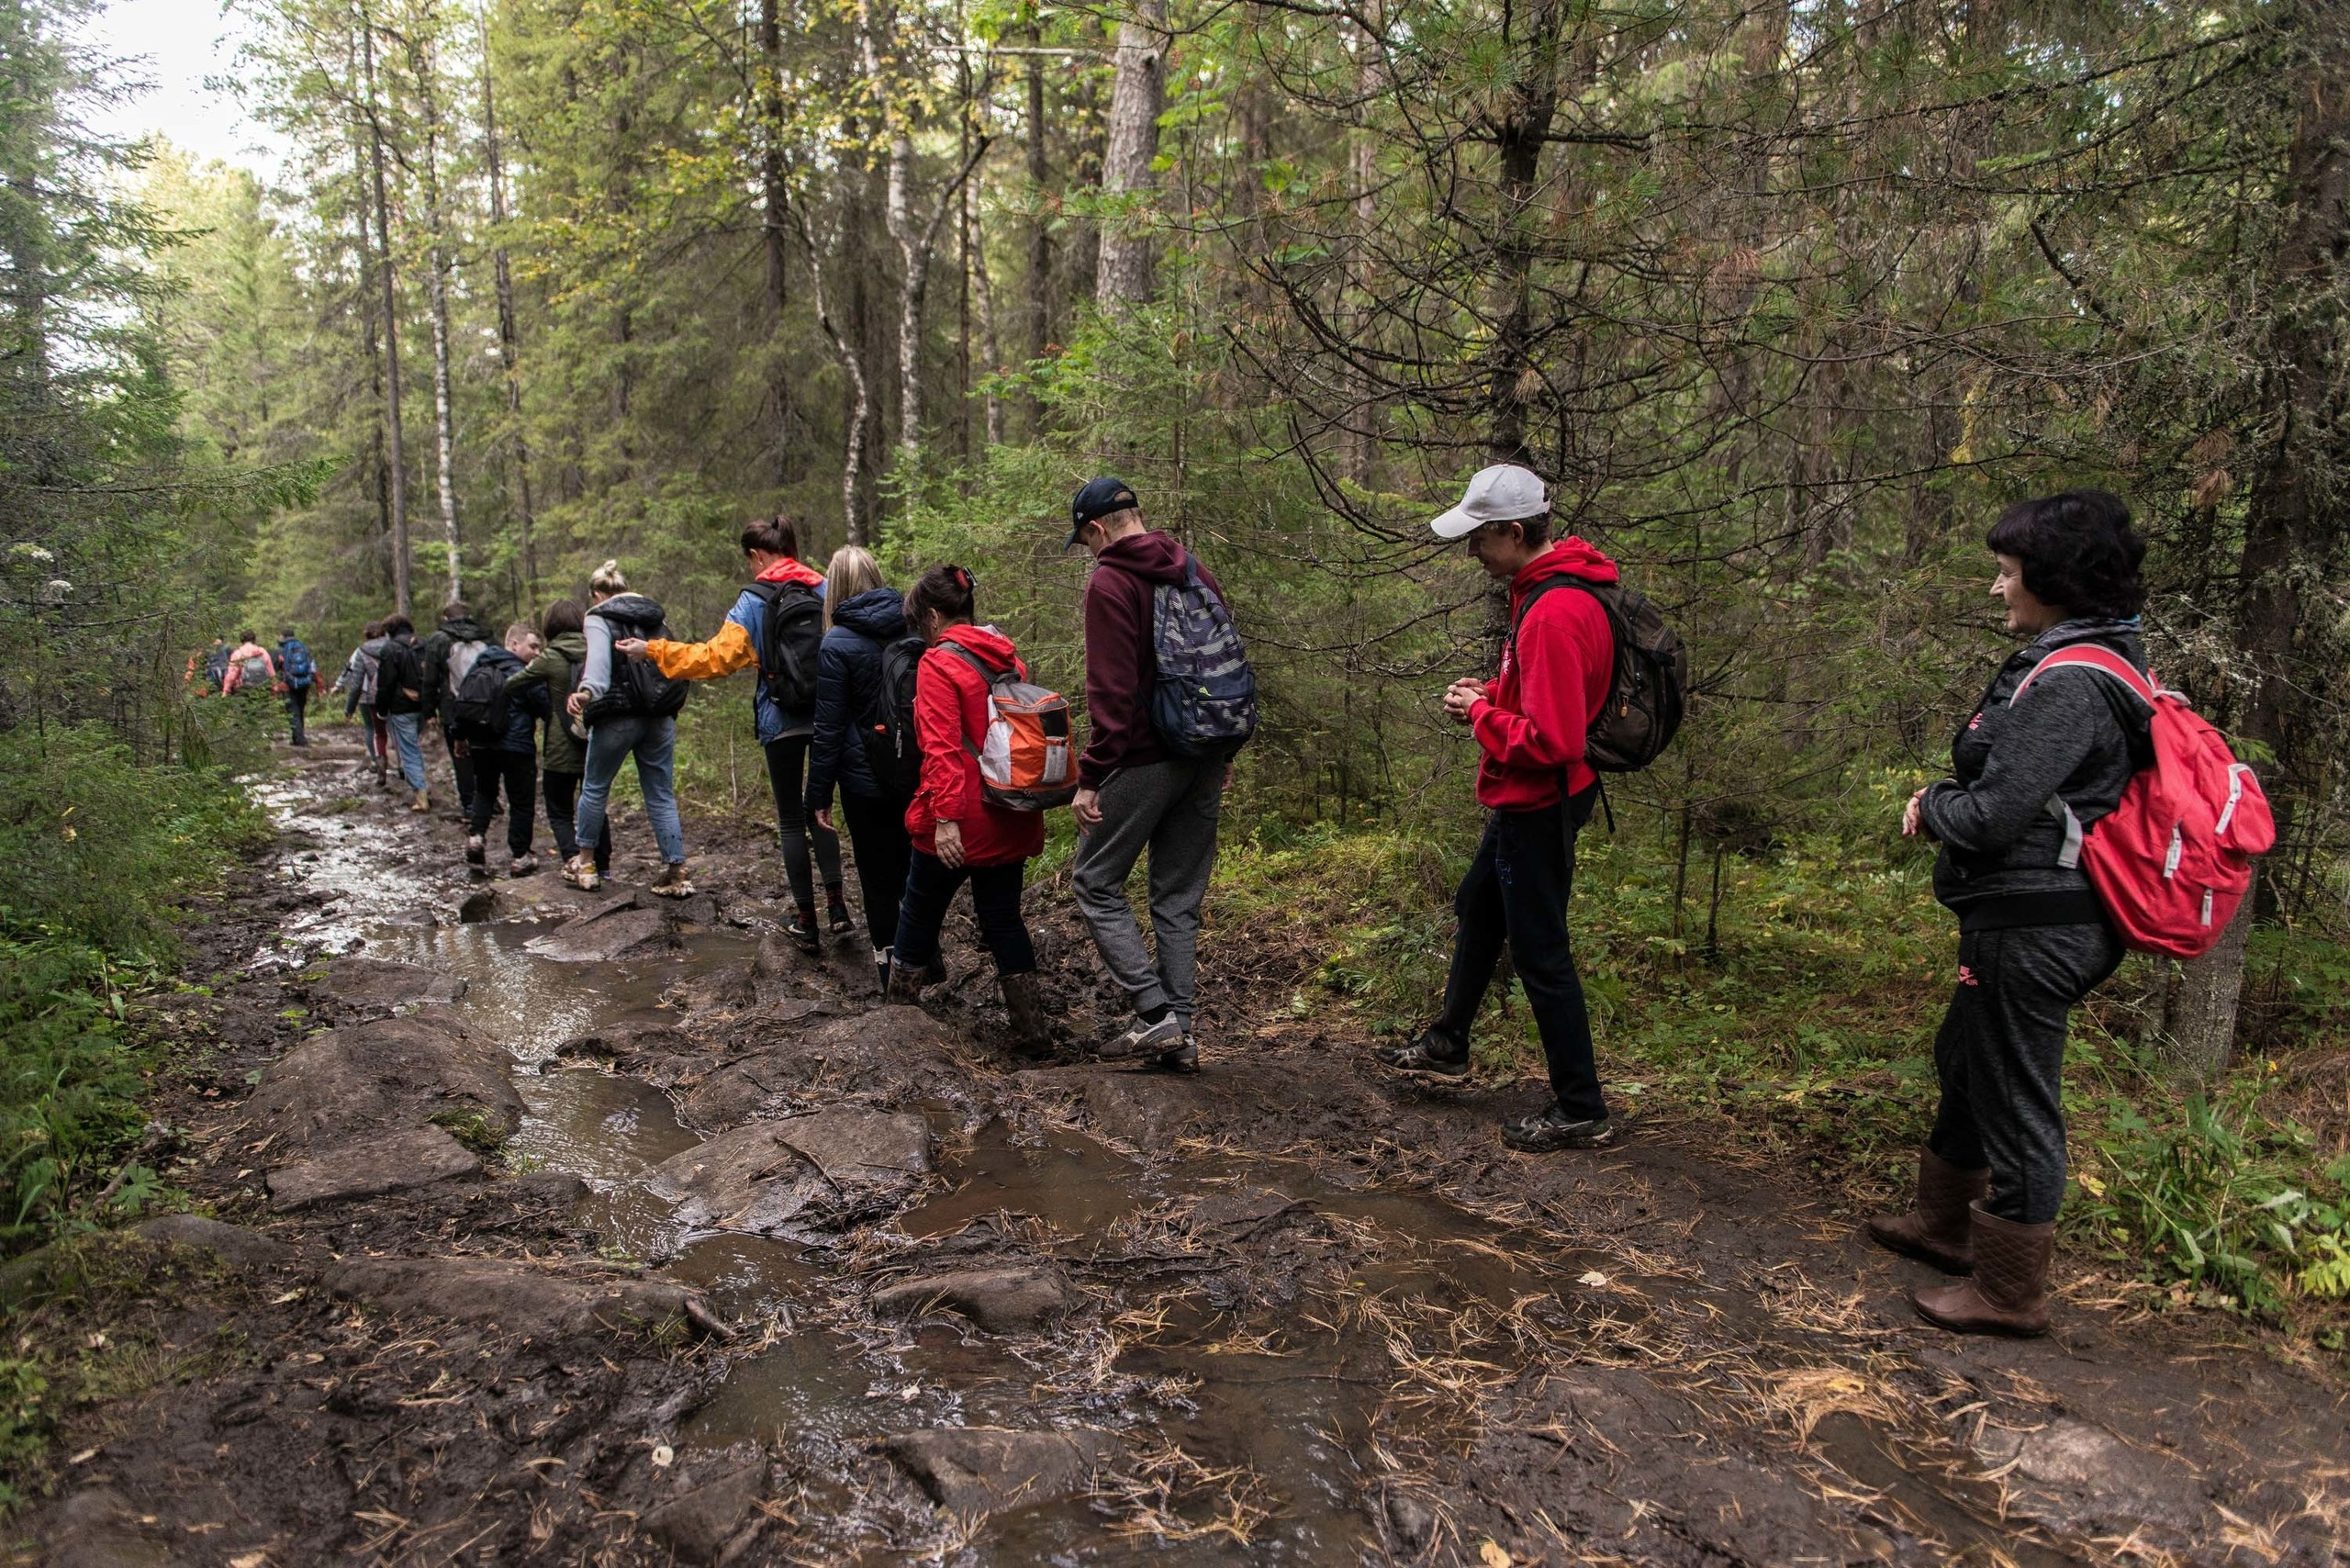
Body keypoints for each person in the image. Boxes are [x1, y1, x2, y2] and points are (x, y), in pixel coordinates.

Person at [1873, 490, 2149, 1338]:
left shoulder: (2071, 681)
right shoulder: (2085, 661)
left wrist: (1935, 803)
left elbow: (1995, 815)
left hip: (2038, 921)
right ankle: (1945, 1225)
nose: (1998, 589)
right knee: (1967, 1057)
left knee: (2016, 1089)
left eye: (2007, 573)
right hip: (2022, 914)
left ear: (2054, 580)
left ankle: (2007, 1290)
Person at [1374, 464, 1619, 1152]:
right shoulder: (1551, 591)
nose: (1473, 552)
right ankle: (1449, 1040)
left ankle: (1581, 1106)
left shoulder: (1556, 610)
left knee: (1542, 954)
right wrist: (1490, 692)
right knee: (1480, 908)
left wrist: (1480, 713)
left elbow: (1553, 740)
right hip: (1534, 798)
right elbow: (1544, 696)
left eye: (1480, 539)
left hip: (1539, 801)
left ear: (1515, 532)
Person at [1066, 477, 1237, 1075]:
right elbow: (1225, 665)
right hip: (1205, 754)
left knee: (1093, 879)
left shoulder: (1110, 582)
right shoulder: (1193, 569)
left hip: (1143, 757)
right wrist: (1223, 755)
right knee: (1177, 895)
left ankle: (1153, 1010)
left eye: (1086, 541)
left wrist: (1090, 778)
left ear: (1097, 529)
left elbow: (1110, 697)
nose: (1089, 551)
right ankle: (1181, 1034)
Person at [619, 516, 845, 945]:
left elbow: (712, 659)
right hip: (827, 716)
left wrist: (651, 650)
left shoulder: (754, 599)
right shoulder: (825, 587)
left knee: (791, 820)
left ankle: (805, 921)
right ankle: (838, 909)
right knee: (822, 810)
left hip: (780, 718)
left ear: (757, 555)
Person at [887, 565, 1049, 1053]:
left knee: (917, 914)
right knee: (1002, 918)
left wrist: (945, 820)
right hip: (1012, 810)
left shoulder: (938, 664)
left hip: (963, 818)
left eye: (922, 623)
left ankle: (896, 1030)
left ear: (935, 616)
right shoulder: (1008, 658)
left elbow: (940, 749)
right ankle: (1032, 1031)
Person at [803, 545, 915, 991]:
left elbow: (827, 728)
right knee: (910, 867)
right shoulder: (912, 627)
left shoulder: (835, 643)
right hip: (911, 771)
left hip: (863, 779)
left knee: (876, 876)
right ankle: (922, 956)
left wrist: (817, 796)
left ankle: (890, 971)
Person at [565, 560, 692, 896]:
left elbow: (598, 670)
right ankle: (676, 870)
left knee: (594, 787)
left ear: (597, 594)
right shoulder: (653, 615)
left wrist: (584, 693)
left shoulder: (598, 616)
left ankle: (587, 864)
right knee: (661, 793)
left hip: (617, 715)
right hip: (660, 715)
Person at [510, 599, 609, 880]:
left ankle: (573, 860)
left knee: (559, 809)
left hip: (560, 743)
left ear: (550, 626)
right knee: (595, 801)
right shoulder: (596, 650)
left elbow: (513, 684)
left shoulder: (550, 657)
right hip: (595, 738)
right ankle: (603, 865)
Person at [458, 622, 545, 877]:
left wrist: (459, 736)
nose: (537, 652)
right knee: (521, 800)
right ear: (513, 644)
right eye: (532, 646)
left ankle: (475, 838)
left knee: (485, 792)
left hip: (482, 743)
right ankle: (520, 856)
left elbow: (463, 702)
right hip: (516, 744)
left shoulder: (480, 665)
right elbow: (542, 705)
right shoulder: (522, 672)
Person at [418, 600, 496, 817]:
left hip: (453, 704)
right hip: (486, 703)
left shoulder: (439, 639)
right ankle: (491, 799)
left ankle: (470, 804)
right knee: (486, 752)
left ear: (445, 617)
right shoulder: (486, 635)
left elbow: (430, 678)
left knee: (460, 755)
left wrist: (429, 710)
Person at [375, 614, 431, 810]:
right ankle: (422, 785)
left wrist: (381, 709)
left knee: (408, 750)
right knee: (413, 746)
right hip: (424, 704)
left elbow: (386, 683)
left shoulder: (390, 649)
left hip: (401, 707)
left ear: (390, 631)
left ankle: (421, 794)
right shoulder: (424, 645)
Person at [333, 622, 391, 785]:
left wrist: (349, 708)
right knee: (396, 730)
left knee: (374, 730)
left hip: (370, 696)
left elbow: (355, 681)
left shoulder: (361, 651)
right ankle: (402, 767)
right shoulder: (395, 646)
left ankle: (377, 762)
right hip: (395, 696)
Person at [276, 628, 316, 746]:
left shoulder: (281, 650)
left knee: (293, 711)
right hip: (304, 683)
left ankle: (300, 740)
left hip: (289, 684)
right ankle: (297, 737)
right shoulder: (302, 647)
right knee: (300, 709)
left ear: (283, 636)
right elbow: (312, 665)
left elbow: (277, 667)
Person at [222, 631, 276, 696]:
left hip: (243, 690)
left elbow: (232, 675)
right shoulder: (262, 651)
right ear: (254, 640)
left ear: (241, 640)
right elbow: (271, 672)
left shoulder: (238, 653)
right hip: (262, 689)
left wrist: (226, 691)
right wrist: (274, 688)